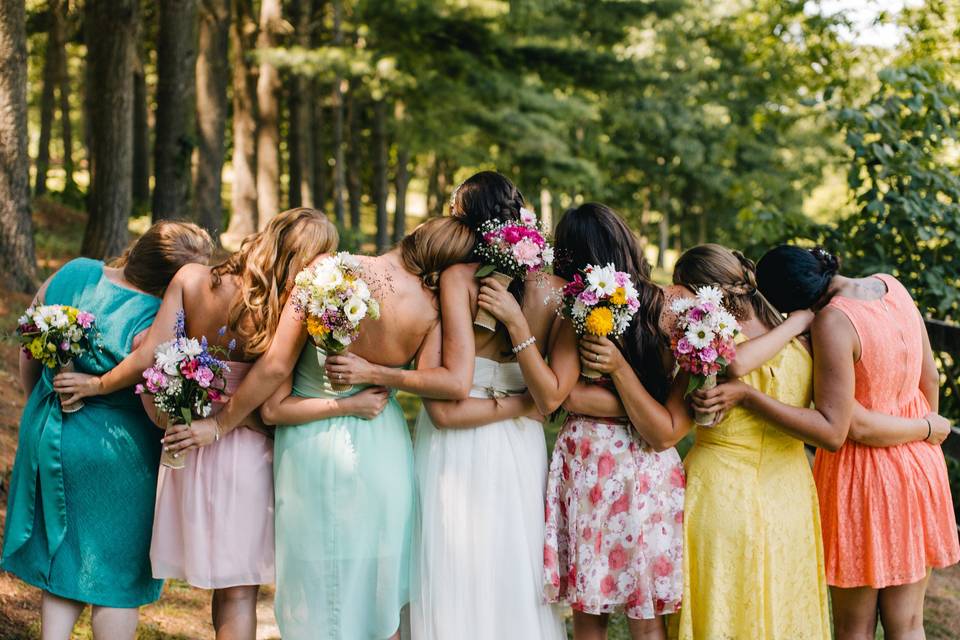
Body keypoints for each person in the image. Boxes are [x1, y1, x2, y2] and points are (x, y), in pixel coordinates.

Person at [166, 216, 478, 640]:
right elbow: (438, 379)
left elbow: (276, 365)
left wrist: (220, 423)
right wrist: (381, 374)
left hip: (312, 445)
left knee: (316, 591)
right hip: (382, 442)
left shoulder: (331, 270)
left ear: (416, 234)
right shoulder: (430, 308)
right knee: (377, 589)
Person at [52, 208, 339, 640]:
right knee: (238, 591)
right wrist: (223, 423)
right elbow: (276, 368)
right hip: (243, 445)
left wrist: (98, 384)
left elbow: (151, 353)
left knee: (222, 586)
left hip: (188, 439)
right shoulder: (289, 304)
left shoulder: (191, 279)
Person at [695, 245, 958, 639]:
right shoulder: (893, 286)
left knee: (856, 627)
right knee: (909, 624)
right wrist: (923, 435)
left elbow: (851, 426)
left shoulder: (833, 323)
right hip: (920, 466)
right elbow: (931, 380)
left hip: (865, 476)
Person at [2, 221, 213, 640]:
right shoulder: (159, 317)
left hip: (53, 435)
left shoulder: (76, 272)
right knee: (115, 582)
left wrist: (41, 406)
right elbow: (155, 402)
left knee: (62, 563)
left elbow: (29, 346)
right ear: (170, 281)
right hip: (121, 453)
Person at [406, 171, 573, 640]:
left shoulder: (457, 277)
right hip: (518, 441)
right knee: (510, 556)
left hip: (455, 441)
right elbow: (550, 396)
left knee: (452, 559)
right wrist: (523, 404)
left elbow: (446, 380)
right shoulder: (553, 287)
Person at [663, 244, 831, 640]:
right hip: (734, 490)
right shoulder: (779, 332)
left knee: (760, 607)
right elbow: (736, 361)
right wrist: (797, 322)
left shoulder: (774, 324)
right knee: (750, 605)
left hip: (775, 488)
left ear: (700, 290)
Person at [541, 203, 688, 640]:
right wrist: (646, 408)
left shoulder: (583, 307)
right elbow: (569, 395)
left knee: (593, 612)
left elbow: (565, 394)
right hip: (640, 466)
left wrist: (616, 382)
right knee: (645, 616)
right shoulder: (666, 308)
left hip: (593, 462)